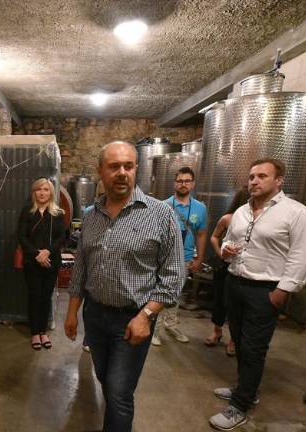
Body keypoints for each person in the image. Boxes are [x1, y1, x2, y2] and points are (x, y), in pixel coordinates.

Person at [65, 141, 186, 432]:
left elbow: (174, 275)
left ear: (136, 169)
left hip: (133, 319)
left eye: (128, 166)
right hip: (95, 315)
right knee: (106, 379)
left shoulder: (160, 214)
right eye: (114, 166)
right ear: (100, 171)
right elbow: (81, 267)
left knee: (119, 392)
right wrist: (72, 313)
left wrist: (147, 315)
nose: (122, 172)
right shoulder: (91, 216)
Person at [209, 158, 306, 430]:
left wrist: (282, 292)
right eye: (251, 176)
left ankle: (240, 406)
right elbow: (230, 242)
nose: (254, 181)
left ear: (279, 181)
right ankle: (246, 389)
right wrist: (227, 250)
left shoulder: (296, 213)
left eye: (262, 176)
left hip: (265, 290)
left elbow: (301, 258)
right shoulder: (241, 212)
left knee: (254, 348)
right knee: (239, 342)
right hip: (235, 283)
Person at [152, 166, 207, 345]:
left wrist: (199, 258)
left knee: (176, 293)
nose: (183, 184)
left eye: (187, 181)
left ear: (193, 184)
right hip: (163, 258)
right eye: (180, 181)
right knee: (160, 291)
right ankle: (155, 328)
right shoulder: (162, 206)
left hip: (185, 258)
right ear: (174, 183)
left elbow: (201, 234)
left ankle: (170, 324)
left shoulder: (200, 208)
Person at [18, 178, 66, 350]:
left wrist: (47, 252)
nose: (42, 192)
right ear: (34, 192)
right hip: (32, 262)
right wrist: (37, 254)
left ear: (51, 192)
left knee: (46, 297)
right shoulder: (27, 212)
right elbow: (22, 237)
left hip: (51, 262)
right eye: (39, 189)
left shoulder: (58, 213)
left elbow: (62, 237)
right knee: (34, 297)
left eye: (46, 189)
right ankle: (34, 333)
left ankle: (43, 331)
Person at [204, 187, 249, 356]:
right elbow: (214, 237)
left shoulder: (260, 220)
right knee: (220, 301)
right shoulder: (228, 218)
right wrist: (220, 253)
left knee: (237, 305)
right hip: (224, 267)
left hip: (244, 268)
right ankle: (217, 331)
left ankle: (233, 339)